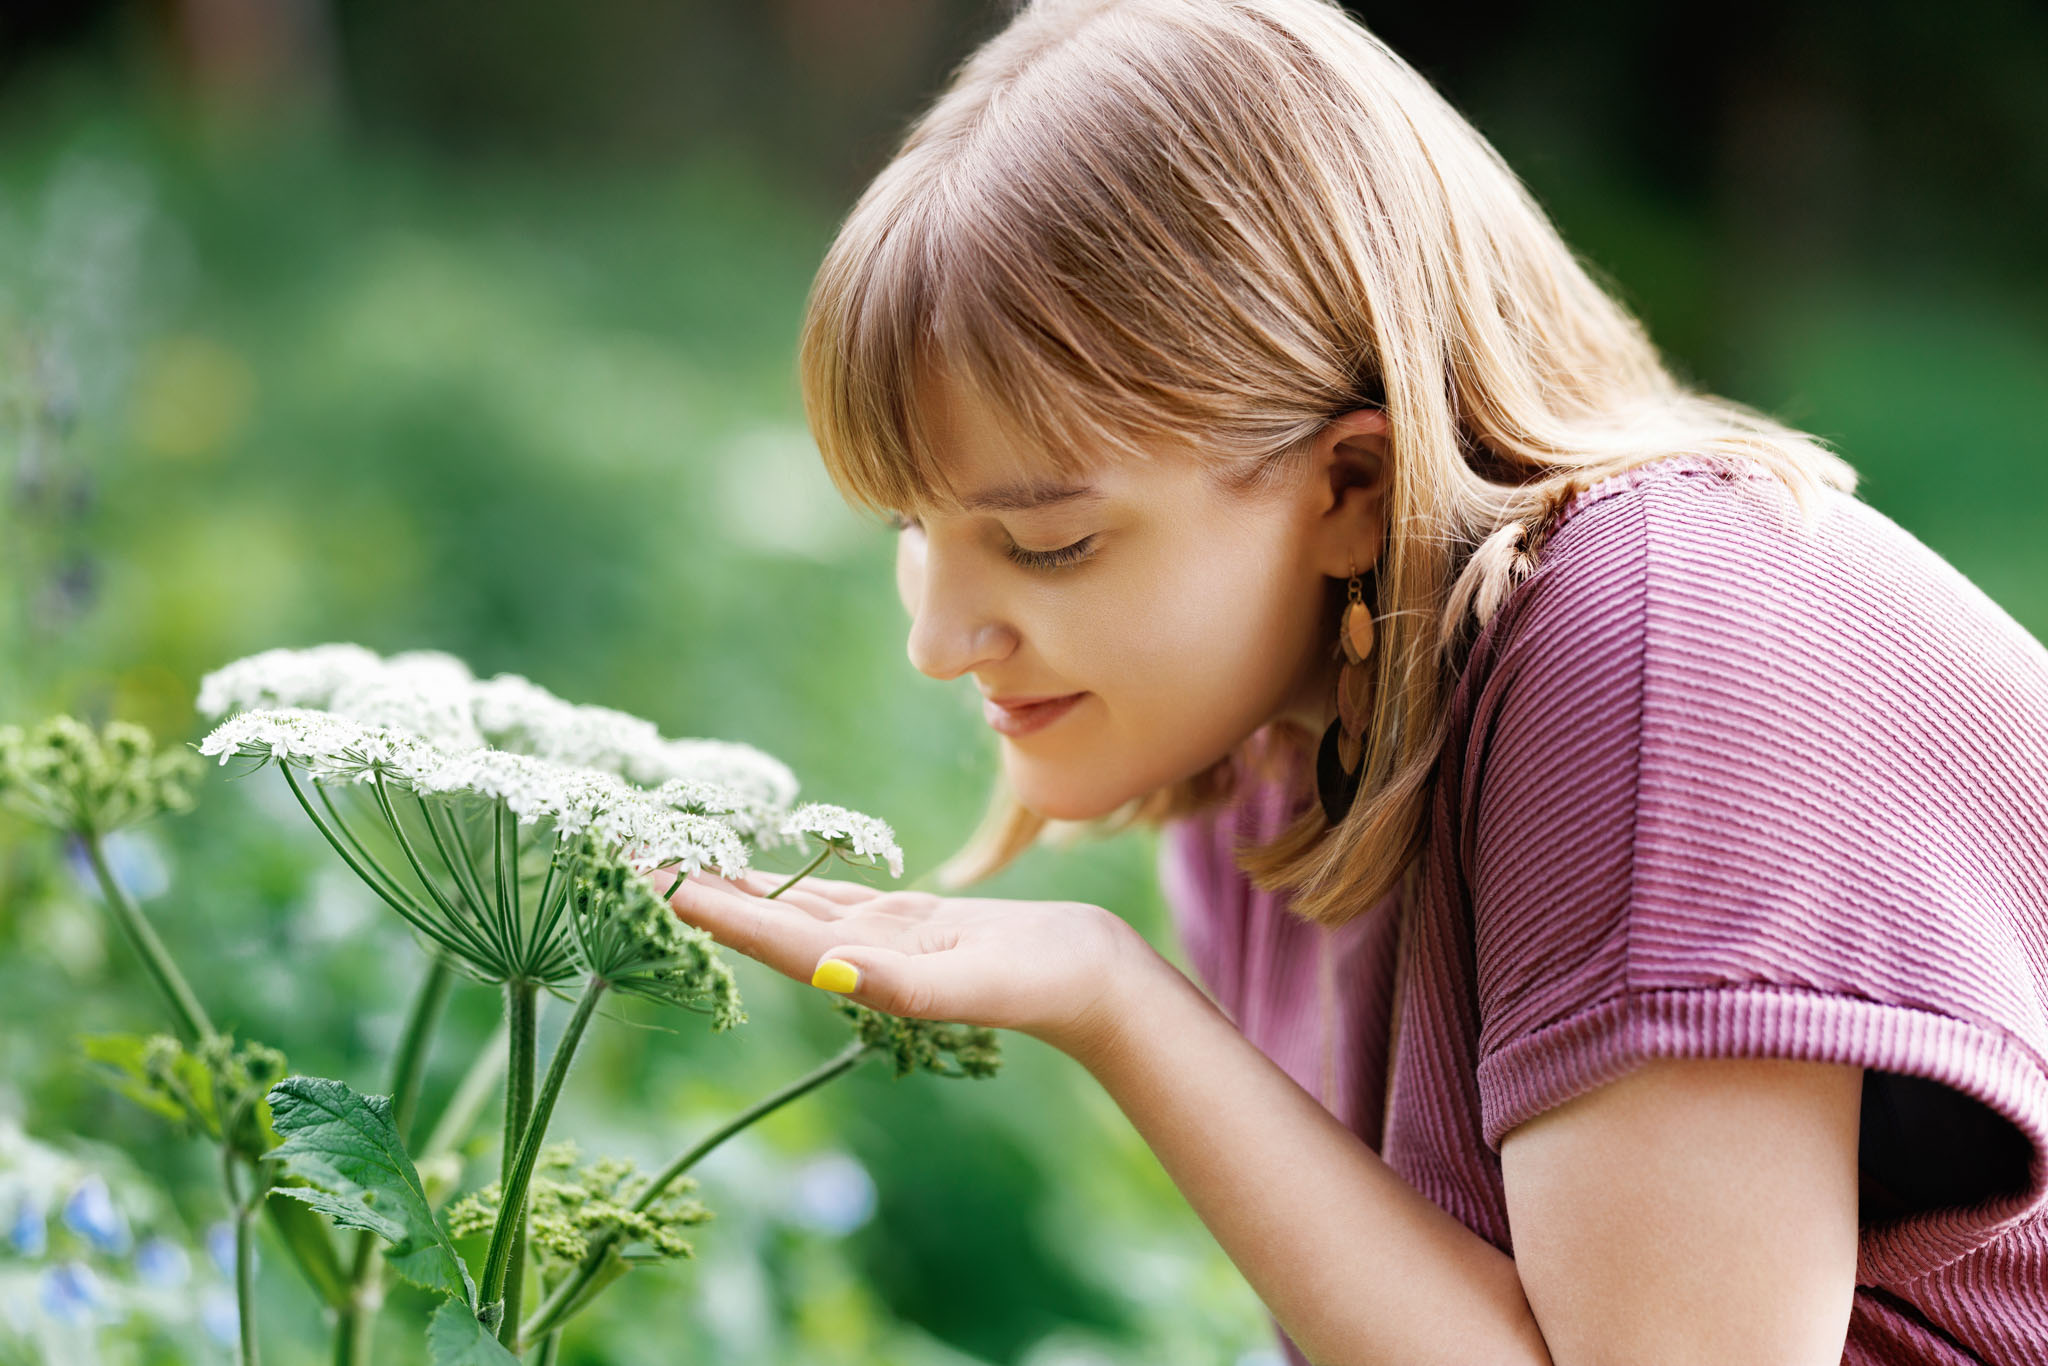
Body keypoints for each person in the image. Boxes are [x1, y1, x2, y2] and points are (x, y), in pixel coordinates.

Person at [657, 1, 2048, 1361]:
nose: (938, 638)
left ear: (1351, 483)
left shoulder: (1650, 646)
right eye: (913, 525)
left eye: (1046, 543)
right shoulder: (1255, 759)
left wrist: (1124, 1006)